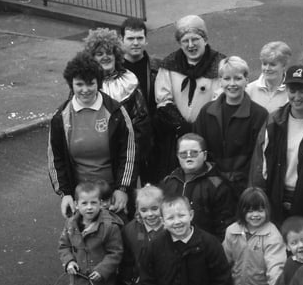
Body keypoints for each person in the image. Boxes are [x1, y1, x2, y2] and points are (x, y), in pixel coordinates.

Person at [48, 51, 137, 219]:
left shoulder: (116, 112)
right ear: (71, 84)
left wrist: (122, 189)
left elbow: (129, 153)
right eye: (79, 84)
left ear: (99, 82)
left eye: (90, 83)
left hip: (112, 196)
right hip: (82, 199)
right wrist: (65, 194)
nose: (85, 90)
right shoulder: (60, 117)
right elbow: (55, 158)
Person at [250, 65, 303, 224]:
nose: (297, 97)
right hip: (274, 197)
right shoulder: (273, 120)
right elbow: (259, 164)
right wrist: (258, 199)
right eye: (292, 91)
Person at [152, 15, 226, 180]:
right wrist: (181, 126)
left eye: (195, 39)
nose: (191, 45)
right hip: (176, 137)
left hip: (209, 136)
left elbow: (219, 100)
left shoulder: (220, 64)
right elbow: (163, 100)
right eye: (185, 40)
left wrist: (199, 128)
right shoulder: (170, 65)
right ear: (179, 43)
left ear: (205, 39)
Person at [83, 27, 152, 201]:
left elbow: (141, 122)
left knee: (124, 207)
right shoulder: (85, 86)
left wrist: (130, 156)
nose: (105, 57)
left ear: (116, 54)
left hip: (125, 160)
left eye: (109, 52)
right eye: (99, 54)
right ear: (92, 58)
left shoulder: (129, 81)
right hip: (95, 162)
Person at [193, 56, 268, 197]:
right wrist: (214, 180)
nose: (232, 84)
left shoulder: (259, 114)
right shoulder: (207, 112)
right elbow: (199, 149)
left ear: (247, 80)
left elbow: (258, 158)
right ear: (220, 81)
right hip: (211, 186)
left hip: (244, 188)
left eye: (238, 78)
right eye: (227, 78)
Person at [160, 133, 237, 241]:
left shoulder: (218, 185)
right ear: (177, 156)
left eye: (194, 153)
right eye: (183, 154)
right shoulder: (168, 182)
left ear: (204, 155)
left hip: (205, 248)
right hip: (172, 246)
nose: (188, 156)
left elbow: (225, 224)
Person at [119, 17, 162, 184]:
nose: (135, 43)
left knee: (152, 191)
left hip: (152, 141)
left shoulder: (158, 66)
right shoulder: (115, 69)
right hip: (125, 141)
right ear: (121, 40)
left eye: (139, 38)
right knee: (126, 192)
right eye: (130, 38)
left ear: (146, 40)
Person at [245, 41, 292, 114]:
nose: (267, 68)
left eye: (272, 64)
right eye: (264, 64)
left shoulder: (292, 91)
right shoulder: (248, 90)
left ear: (284, 66)